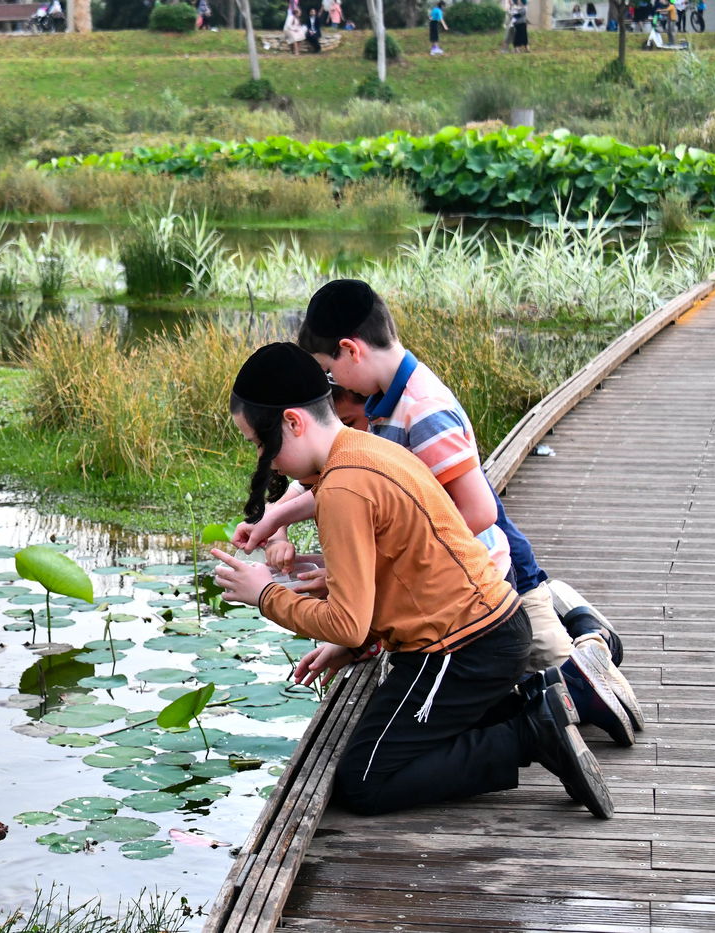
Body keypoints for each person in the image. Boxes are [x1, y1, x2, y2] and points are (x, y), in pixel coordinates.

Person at [211, 343, 614, 819]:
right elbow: (398, 574)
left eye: (260, 444)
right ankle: (529, 708)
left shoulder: (342, 487)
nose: (266, 460)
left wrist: (266, 595)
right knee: (389, 737)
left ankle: (531, 731)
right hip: (494, 630)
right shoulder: (365, 449)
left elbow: (347, 623)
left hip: (461, 650)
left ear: (294, 423)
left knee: (364, 779)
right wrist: (354, 638)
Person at [242, 279, 640, 745]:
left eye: (330, 370)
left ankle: (591, 635)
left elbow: (477, 512)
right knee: (498, 699)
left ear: (350, 351)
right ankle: (570, 620)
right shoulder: (382, 406)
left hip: (479, 579)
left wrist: (362, 569)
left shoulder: (422, 408)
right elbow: (369, 495)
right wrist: (280, 519)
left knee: (567, 688)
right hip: (456, 583)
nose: (330, 389)